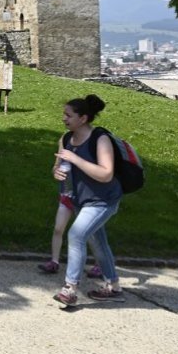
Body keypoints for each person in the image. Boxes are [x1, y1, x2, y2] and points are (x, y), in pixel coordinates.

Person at [52, 94, 125, 306]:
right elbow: (58, 166)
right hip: (81, 200)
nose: (64, 119)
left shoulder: (99, 139)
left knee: (76, 235)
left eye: (68, 115)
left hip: (103, 200)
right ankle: (114, 286)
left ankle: (70, 289)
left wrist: (75, 158)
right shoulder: (67, 139)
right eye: (63, 115)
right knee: (98, 242)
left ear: (83, 118)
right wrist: (56, 171)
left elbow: (106, 174)